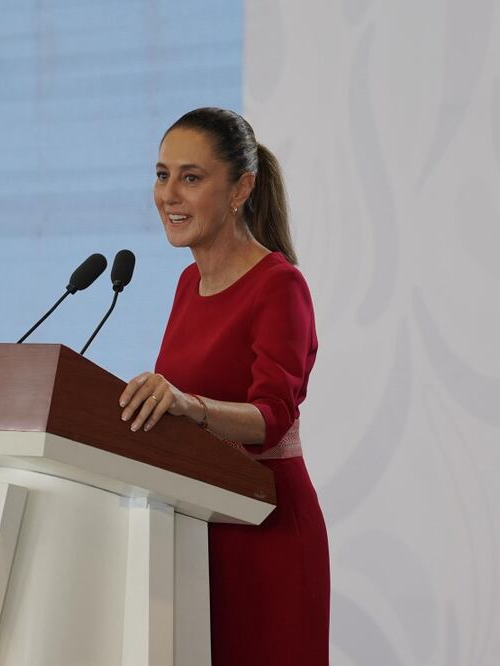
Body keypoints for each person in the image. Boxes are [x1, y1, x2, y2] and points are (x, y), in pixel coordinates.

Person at [118, 107, 330, 665]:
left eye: (191, 177)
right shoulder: (189, 284)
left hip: (267, 532)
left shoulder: (279, 286)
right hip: (194, 532)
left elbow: (271, 416)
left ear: (241, 189)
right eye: (162, 175)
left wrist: (189, 406)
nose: (169, 194)